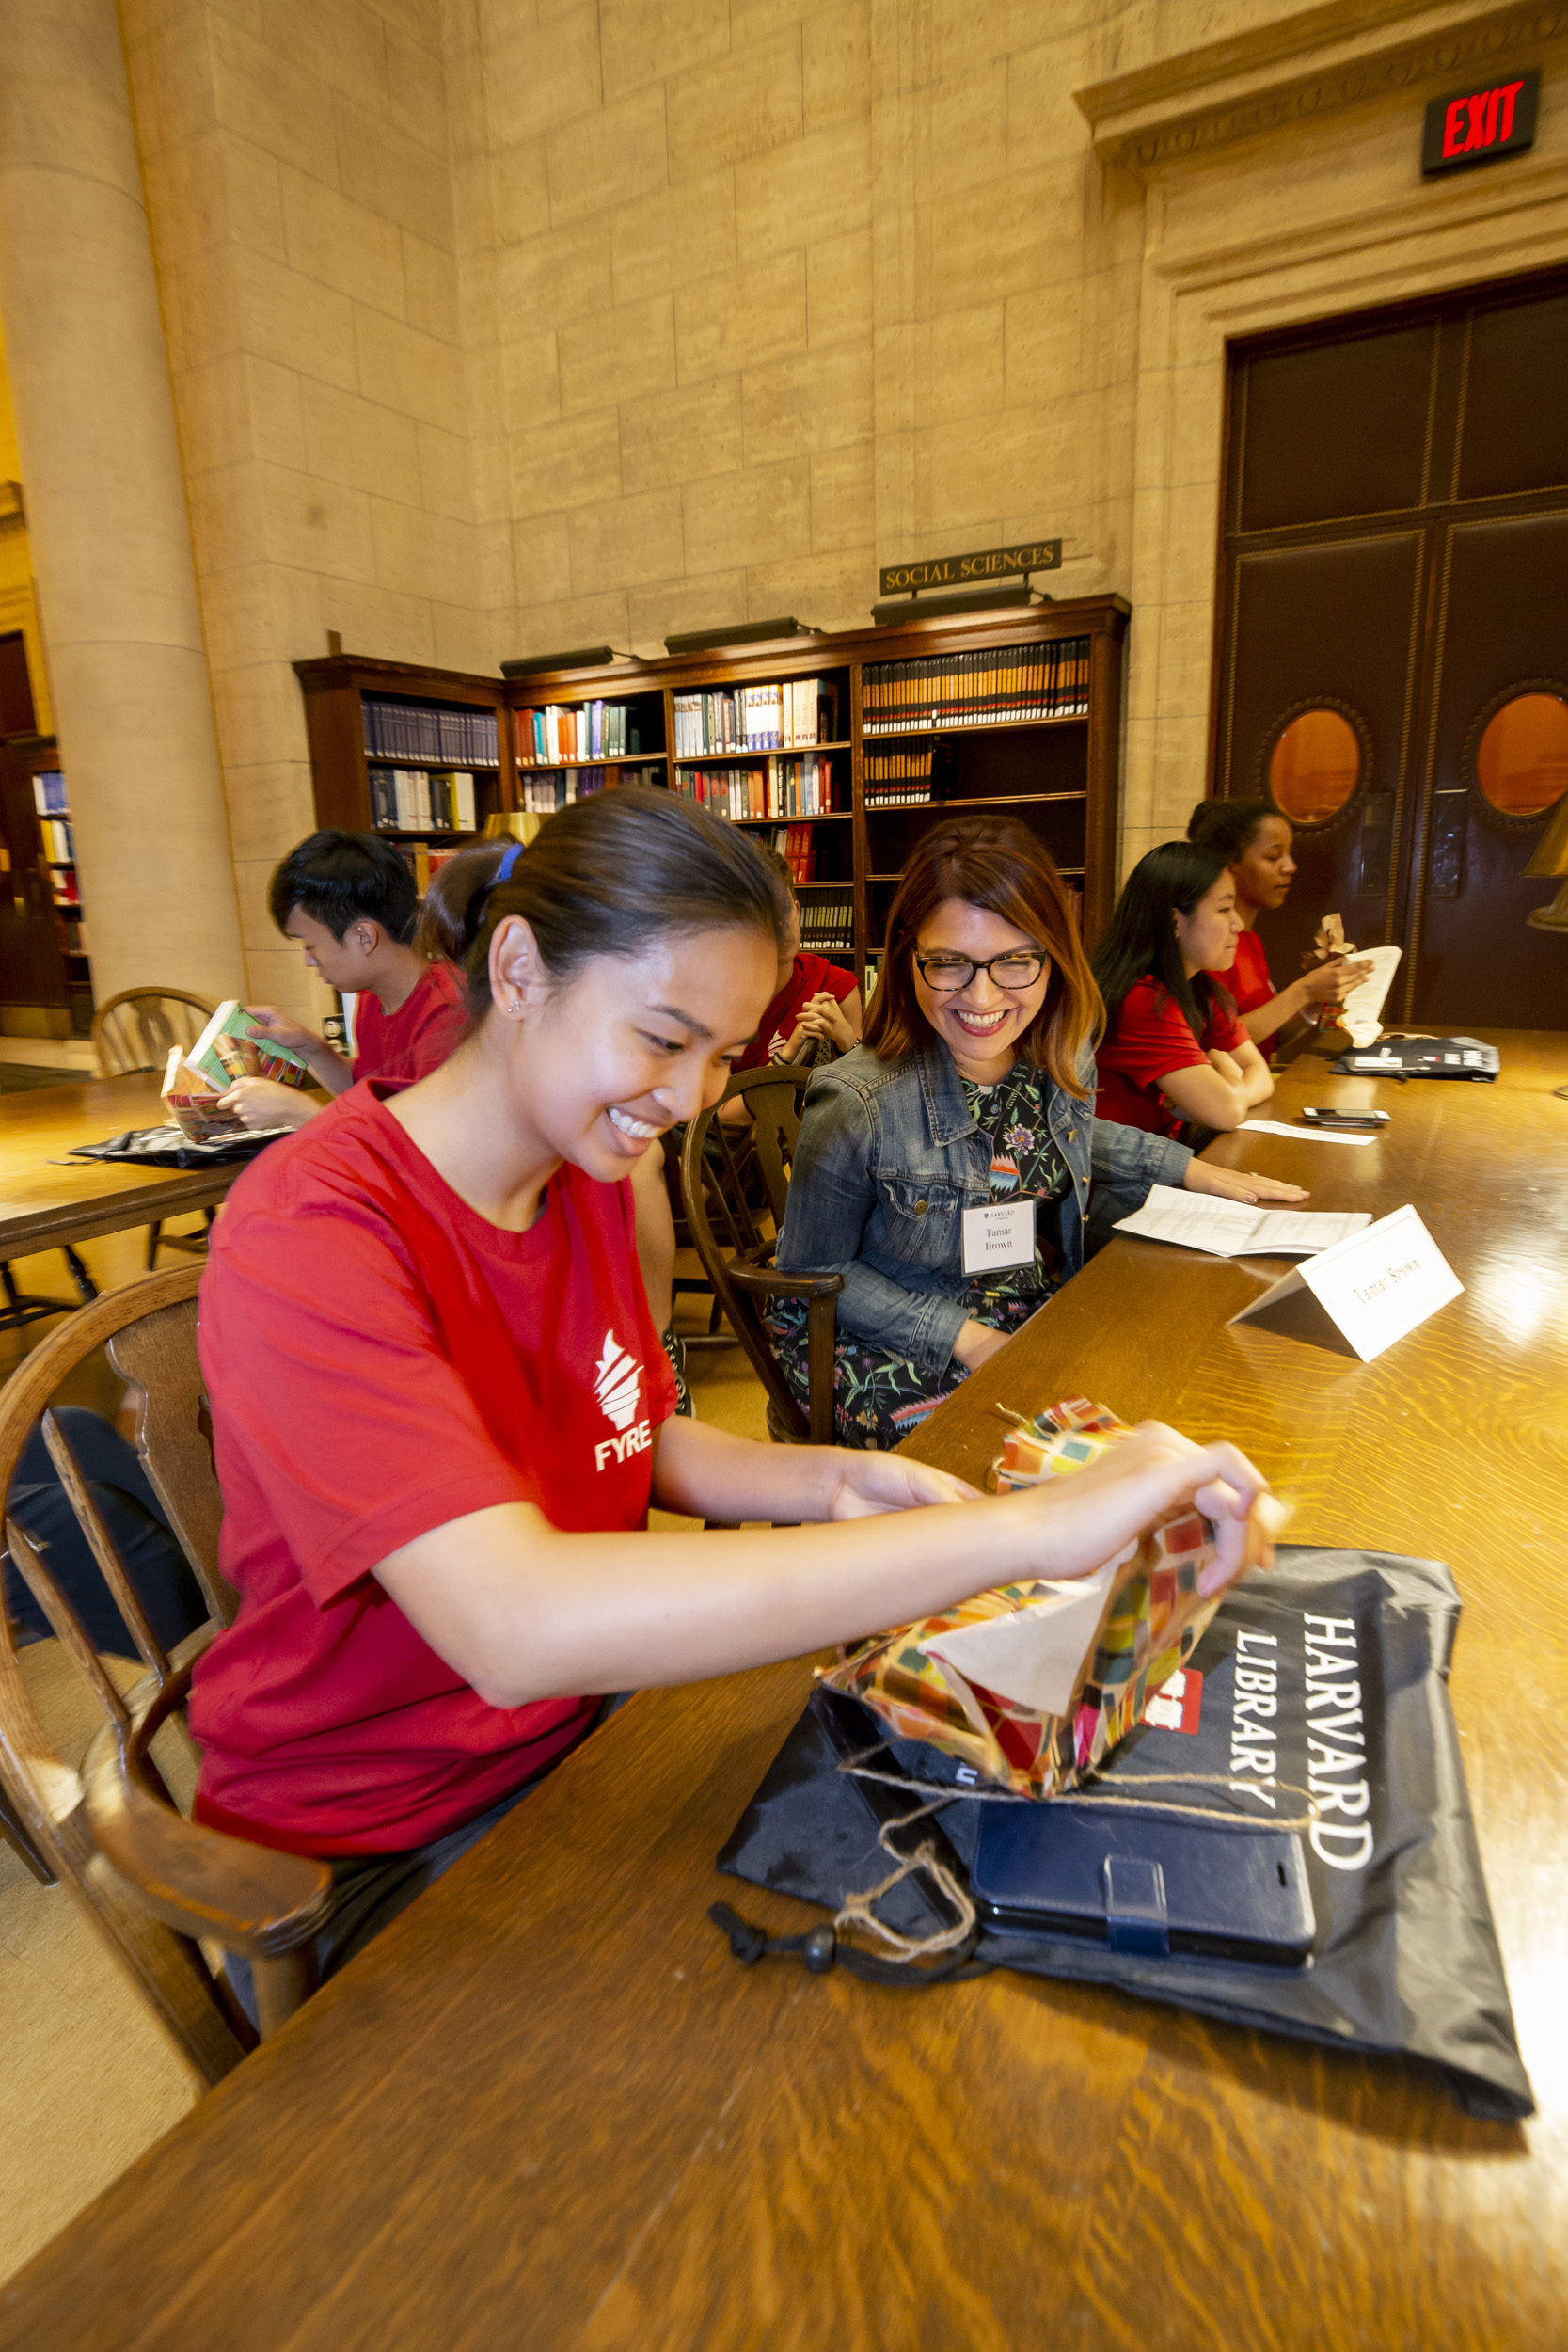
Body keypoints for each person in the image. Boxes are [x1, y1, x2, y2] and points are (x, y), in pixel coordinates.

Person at [187, 787, 1279, 2000]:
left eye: (718, 1054)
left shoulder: (594, 1167)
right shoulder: (312, 1230)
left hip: (587, 1735)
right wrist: (1015, 1532)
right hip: (377, 1830)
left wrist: (830, 1478)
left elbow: (635, 1431)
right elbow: (511, 1625)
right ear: (520, 966)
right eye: (663, 1036)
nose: (692, 1093)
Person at [770, 817, 1307, 1449]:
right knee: (1025, 1465)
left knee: (1168, 1398)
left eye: (1016, 961)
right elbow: (813, 1271)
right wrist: (969, 1341)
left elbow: (1062, 1134)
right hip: (880, 1336)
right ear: (906, 956)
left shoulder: (1059, 1049)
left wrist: (1191, 1170)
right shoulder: (857, 1098)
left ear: (1052, 954)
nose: (983, 996)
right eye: (947, 963)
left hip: (1017, 1303)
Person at [217, 829, 469, 1131]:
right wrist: (310, 1047)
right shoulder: (373, 997)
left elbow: (428, 1149)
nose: (308, 960)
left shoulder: (449, 1012)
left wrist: (301, 1113)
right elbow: (368, 1097)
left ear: (363, 936)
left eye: (310, 945)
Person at [1092, 841, 1279, 1141]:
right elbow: (1226, 1112)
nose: (1238, 924)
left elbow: (1259, 1071)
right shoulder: (1143, 1000)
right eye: (1224, 909)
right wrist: (1226, 1073)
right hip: (1118, 1179)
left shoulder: (1200, 989)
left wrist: (1228, 1079)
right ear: (1175, 920)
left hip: (1164, 1158)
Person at [1186, 800, 1372, 1050]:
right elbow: (1214, 1045)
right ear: (1231, 866)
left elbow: (1267, 1039)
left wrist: (1315, 1004)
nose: (1290, 867)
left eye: (1288, 854)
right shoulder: (1208, 945)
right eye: (1274, 857)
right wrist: (1303, 991)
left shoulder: (1250, 940)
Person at [720, 850, 861, 1120]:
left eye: (783, 907)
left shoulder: (835, 985)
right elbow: (720, 1117)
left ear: (796, 910)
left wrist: (848, 1043)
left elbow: (862, 1105)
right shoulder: (716, 996)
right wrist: (788, 1055)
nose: (779, 925)